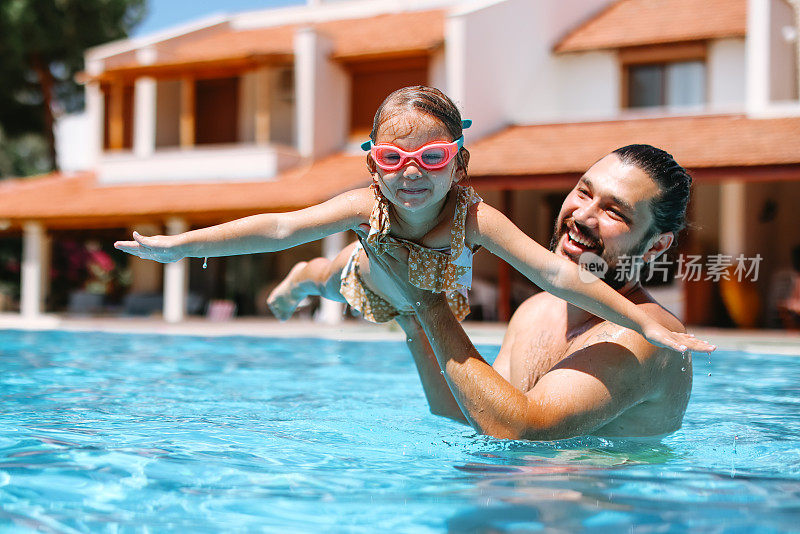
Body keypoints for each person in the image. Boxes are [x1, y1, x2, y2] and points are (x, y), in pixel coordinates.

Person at [114, 86, 712, 354]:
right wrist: (180, 247)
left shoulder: (476, 217)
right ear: (372, 167)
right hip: (369, 281)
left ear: (460, 164)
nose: (411, 173)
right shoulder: (363, 206)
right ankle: (301, 280)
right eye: (392, 159)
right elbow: (277, 225)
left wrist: (647, 324)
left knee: (367, 282)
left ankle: (314, 277)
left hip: (429, 298)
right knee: (331, 273)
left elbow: (559, 276)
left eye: (432, 157)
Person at [358, 144, 707, 440]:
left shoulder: (646, 335)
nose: (583, 216)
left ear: (655, 247)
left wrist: (429, 304)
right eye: (583, 192)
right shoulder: (536, 311)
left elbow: (521, 429)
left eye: (613, 211)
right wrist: (413, 316)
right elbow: (468, 412)